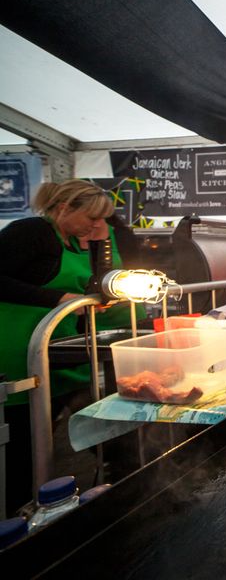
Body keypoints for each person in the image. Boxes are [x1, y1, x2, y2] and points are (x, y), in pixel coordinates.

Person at [0, 179, 138, 514]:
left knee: (101, 422)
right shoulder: (30, 231)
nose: (96, 226)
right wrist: (57, 298)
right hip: (19, 354)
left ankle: (132, 487)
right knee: (23, 445)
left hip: (61, 350)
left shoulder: (74, 241)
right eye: (91, 218)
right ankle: (19, 520)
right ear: (64, 208)